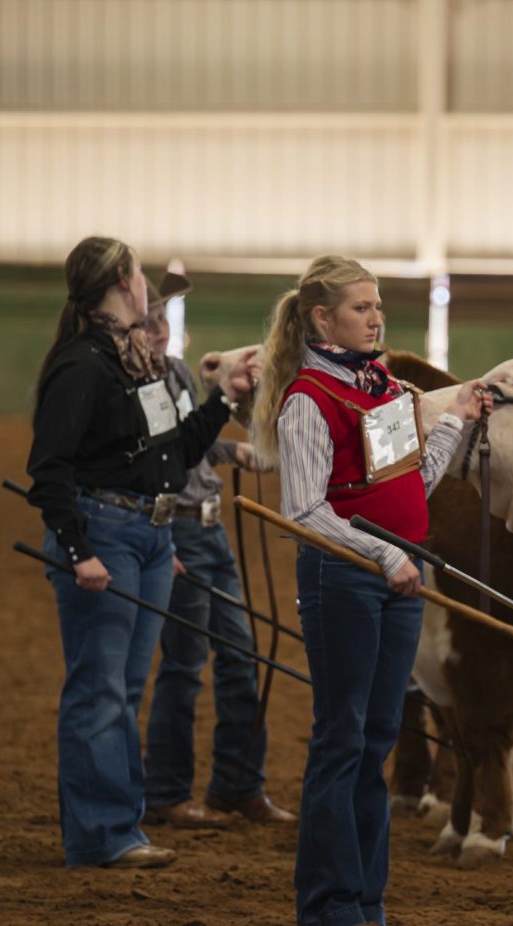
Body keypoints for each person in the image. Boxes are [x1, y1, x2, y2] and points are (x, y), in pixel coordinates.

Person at [249, 255, 491, 926]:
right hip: (347, 582)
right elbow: (305, 512)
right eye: (361, 307)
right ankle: (329, 905)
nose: (376, 316)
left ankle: (364, 899)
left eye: (378, 304)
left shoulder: (379, 387)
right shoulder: (309, 400)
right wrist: (386, 555)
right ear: (322, 318)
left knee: (377, 737)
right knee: (344, 738)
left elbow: (408, 484)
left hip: (394, 576)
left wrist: (454, 422)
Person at [27, 236, 254, 869]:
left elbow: (176, 453)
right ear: (125, 285)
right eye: (137, 275)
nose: (145, 285)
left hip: (152, 539)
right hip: (106, 535)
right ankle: (102, 835)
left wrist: (226, 399)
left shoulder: (136, 364)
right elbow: (49, 468)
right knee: (100, 690)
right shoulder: (84, 365)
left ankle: (118, 826)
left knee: (124, 690)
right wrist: (78, 551)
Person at [140, 276, 296, 829]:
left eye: (163, 319)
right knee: (184, 665)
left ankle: (237, 784)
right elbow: (157, 459)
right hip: (176, 532)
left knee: (241, 657)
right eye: (149, 319)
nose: (159, 329)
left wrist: (234, 451)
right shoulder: (135, 385)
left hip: (208, 531)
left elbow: (190, 443)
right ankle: (165, 790)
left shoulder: (176, 373)